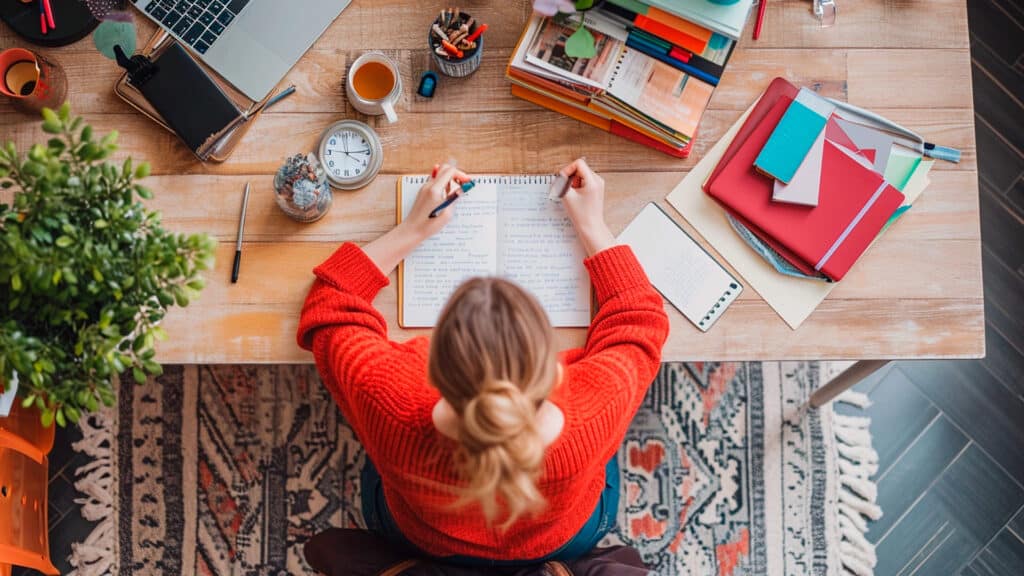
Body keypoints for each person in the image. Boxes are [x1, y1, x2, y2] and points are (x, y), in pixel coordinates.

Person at [297, 159, 669, 565]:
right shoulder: (595, 403)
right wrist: (593, 225)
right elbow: (640, 317)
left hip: (420, 537)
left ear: (432, 365)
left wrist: (412, 230)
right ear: (554, 365)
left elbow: (331, 303)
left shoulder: (389, 395)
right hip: (561, 539)